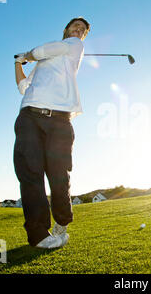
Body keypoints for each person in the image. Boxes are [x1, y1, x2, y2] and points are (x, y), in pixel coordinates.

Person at [13, 17, 90, 248]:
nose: (78, 30)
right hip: (29, 116)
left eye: (82, 30)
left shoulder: (73, 46)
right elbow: (23, 87)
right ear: (66, 29)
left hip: (59, 119)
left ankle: (61, 224)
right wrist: (18, 63)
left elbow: (43, 49)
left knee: (59, 176)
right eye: (74, 27)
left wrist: (26, 55)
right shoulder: (43, 64)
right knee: (30, 174)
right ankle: (38, 235)